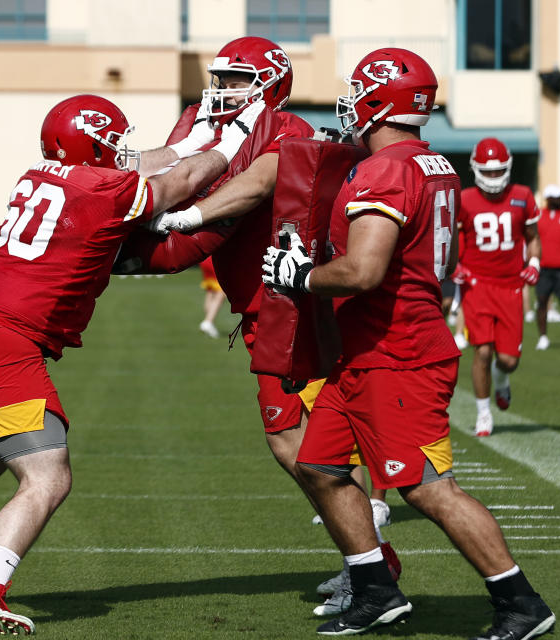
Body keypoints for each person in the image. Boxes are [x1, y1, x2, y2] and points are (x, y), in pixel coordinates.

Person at [0, 94, 269, 634]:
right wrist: (237, 134)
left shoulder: (42, 173)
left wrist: (190, 138)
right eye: (113, 144)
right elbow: (183, 178)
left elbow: (148, 163)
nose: (122, 154)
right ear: (93, 143)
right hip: (2, 341)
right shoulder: (104, 190)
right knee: (47, 478)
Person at [262, 47, 555, 639]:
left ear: (378, 100)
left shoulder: (384, 169)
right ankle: (376, 590)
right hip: (369, 350)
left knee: (427, 488)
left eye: (356, 91)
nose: (348, 103)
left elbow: (365, 271)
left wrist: (301, 275)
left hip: (399, 354)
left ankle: (522, 603)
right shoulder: (432, 162)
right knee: (319, 466)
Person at [119, 36, 400, 615]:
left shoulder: (286, 130)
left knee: (307, 445)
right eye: (219, 77)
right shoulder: (203, 121)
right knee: (299, 444)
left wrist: (170, 226)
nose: (222, 90)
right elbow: (177, 166)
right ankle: (369, 558)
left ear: (269, 83)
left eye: (236, 79)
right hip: (262, 304)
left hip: (294, 304)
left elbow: (231, 202)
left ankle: (372, 560)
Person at [455, 137, 541, 437]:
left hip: (511, 286)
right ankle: (483, 413)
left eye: (498, 171)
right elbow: (454, 237)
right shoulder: (464, 199)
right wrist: (456, 265)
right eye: (487, 171)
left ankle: (502, 381)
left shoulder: (522, 195)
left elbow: (532, 236)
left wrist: (534, 263)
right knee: (483, 351)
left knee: (508, 360)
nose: (493, 177)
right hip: (477, 284)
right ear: (475, 169)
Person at [534, 184, 560, 349]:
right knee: (542, 301)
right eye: (555, 197)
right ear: (549, 199)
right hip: (543, 268)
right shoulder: (539, 216)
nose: (559, 200)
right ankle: (543, 337)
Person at [198, 256, 226, 338]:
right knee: (221, 292)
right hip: (215, 260)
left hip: (205, 260)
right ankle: (208, 321)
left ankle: (208, 321)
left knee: (210, 291)